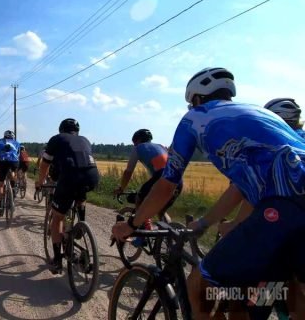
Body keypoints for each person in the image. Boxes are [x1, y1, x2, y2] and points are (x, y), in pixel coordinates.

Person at [111, 67, 305, 319]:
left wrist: (131, 224)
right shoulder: (262, 114)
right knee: (279, 293)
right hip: (288, 214)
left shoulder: (194, 118)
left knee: (199, 287)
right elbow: (241, 189)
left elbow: (166, 185)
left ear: (197, 99)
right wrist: (204, 222)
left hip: (282, 207)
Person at [35, 118, 100, 274]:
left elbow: (45, 164)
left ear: (61, 129)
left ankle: (57, 260)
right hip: (92, 176)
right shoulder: (84, 139)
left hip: (70, 177)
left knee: (57, 217)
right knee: (79, 195)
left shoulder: (57, 139)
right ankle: (81, 222)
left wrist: (40, 181)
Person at [114, 129, 182, 243]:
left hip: (161, 177)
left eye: (134, 142)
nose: (134, 145)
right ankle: (168, 240)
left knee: (140, 200)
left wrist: (121, 188)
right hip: (178, 179)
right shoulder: (161, 146)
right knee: (161, 209)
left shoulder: (138, 148)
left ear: (138, 140)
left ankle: (144, 235)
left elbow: (128, 172)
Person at [0, 130, 21, 216]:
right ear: (13, 136)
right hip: (14, 162)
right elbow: (18, 155)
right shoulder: (17, 143)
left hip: (2, 162)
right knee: (13, 173)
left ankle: (0, 206)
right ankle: (14, 186)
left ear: (4, 136)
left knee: (0, 184)